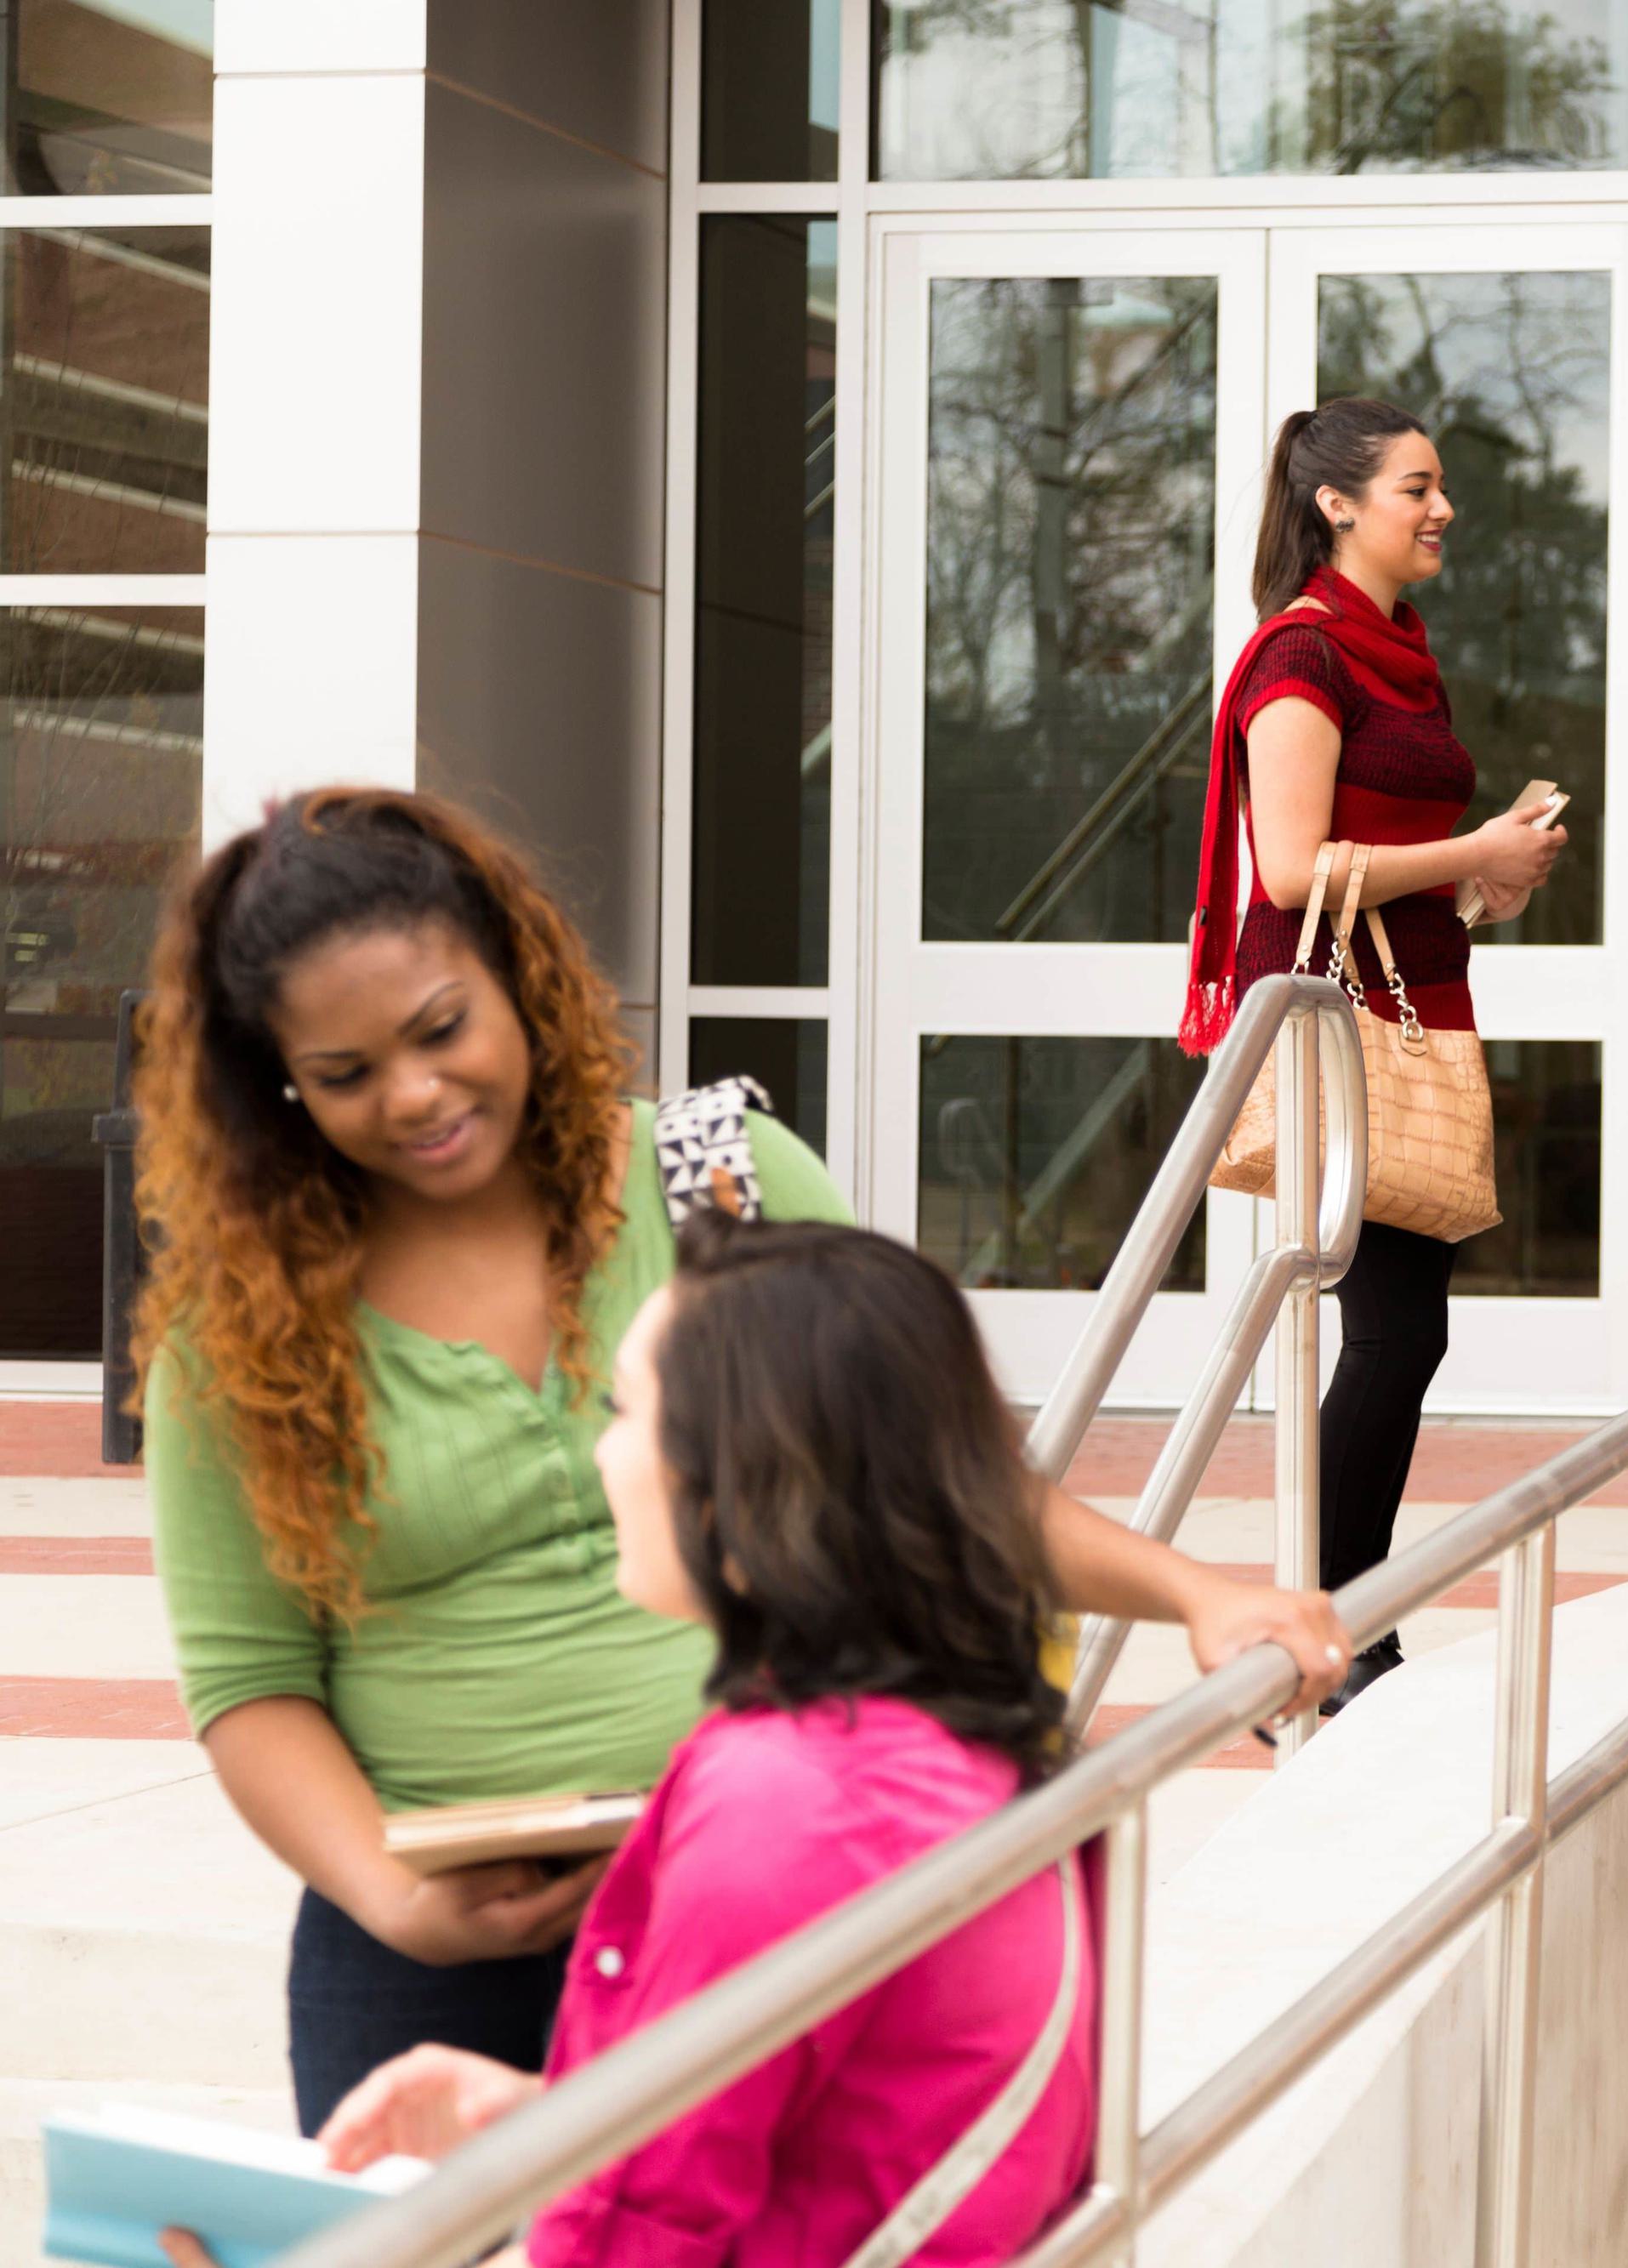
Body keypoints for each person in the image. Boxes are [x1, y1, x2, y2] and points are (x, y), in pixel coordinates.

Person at [137, 788, 1346, 2136]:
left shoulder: (718, 1181)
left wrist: (1194, 1592)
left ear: (514, 973)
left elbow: (928, 1473)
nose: (414, 1094)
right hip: (426, 1963)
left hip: (767, 1897)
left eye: (440, 1027)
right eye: (346, 1073)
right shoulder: (235, 1326)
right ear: (275, 1080)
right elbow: (250, 1682)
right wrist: (392, 1893)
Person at [293, 1219, 1108, 2266]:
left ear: (743, 1481)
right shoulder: (966, 1755)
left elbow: (637, 2244)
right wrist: (550, 2117)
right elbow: (854, 2123)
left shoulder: (786, 1806)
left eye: (626, 1409)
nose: (601, 1451)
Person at [1176, 395, 1569, 1712]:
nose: (1441, 506)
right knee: (1397, 1331)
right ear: (1336, 503)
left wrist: (1483, 886)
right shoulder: (1304, 656)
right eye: (1417, 486)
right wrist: (1476, 851)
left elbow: (1382, 872)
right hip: (1335, 1028)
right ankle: (1346, 1632)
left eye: (1439, 483)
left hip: (1405, 999)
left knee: (1404, 1334)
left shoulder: (1403, 646)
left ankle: (1352, 1623)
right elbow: (1290, 870)